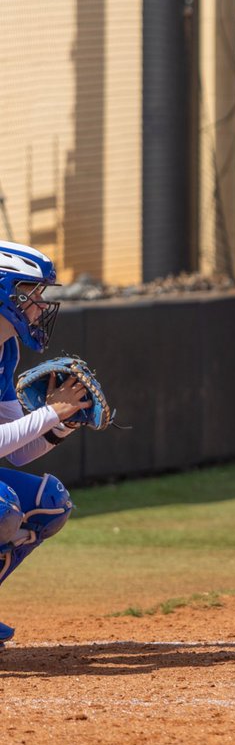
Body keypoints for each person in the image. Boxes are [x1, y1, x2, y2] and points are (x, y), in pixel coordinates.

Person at [0, 243, 90, 648]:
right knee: (3, 508)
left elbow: (14, 448)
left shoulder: (5, 348)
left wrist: (61, 424)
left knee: (49, 502)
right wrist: (51, 412)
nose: (38, 304)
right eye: (28, 291)